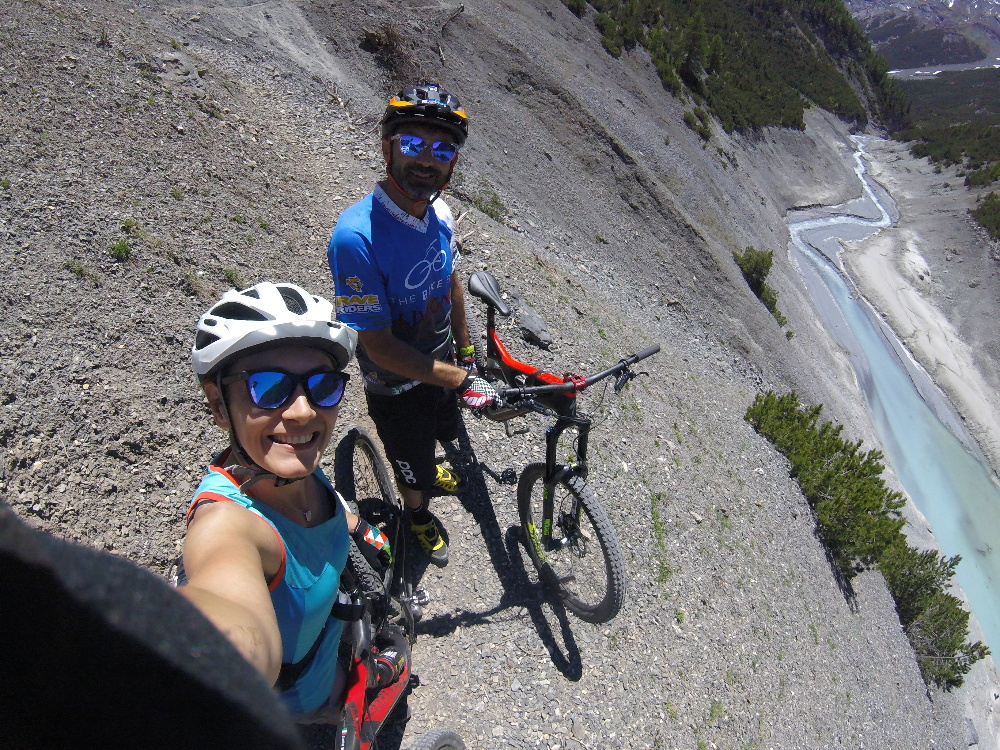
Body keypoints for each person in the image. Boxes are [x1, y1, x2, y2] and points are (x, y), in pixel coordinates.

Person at [180, 281, 390, 724]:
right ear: (220, 406)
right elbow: (233, 622)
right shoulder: (227, 527)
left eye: (324, 385)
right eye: (269, 387)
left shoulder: (287, 460)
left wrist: (350, 522)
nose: (303, 412)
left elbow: (321, 496)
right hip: (304, 700)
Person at [327, 83, 498, 568]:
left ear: (453, 163)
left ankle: (426, 476)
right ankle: (416, 511)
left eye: (442, 148)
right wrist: (463, 378)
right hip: (395, 386)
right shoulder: (355, 237)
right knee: (412, 460)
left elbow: (451, 283)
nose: (428, 159)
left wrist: (465, 355)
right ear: (387, 148)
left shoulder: (440, 214)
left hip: (441, 364)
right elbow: (378, 346)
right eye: (412, 144)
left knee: (443, 425)